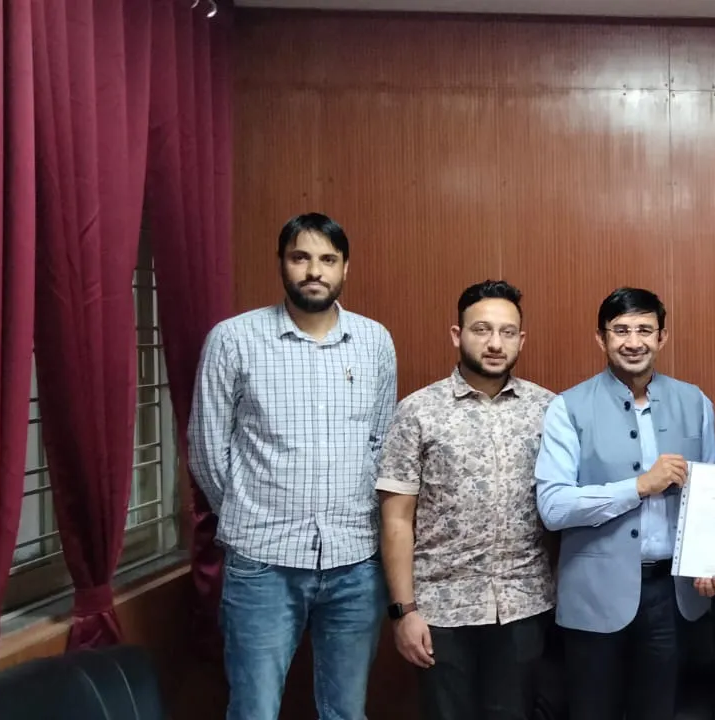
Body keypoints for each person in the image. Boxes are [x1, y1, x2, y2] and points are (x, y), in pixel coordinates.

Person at [188, 212, 397, 719]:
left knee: (346, 711)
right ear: (282, 264)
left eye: (327, 259)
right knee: (254, 709)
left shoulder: (374, 342)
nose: (314, 271)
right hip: (263, 564)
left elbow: (381, 443)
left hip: (355, 562)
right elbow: (207, 447)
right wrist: (249, 512)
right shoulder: (233, 339)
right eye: (301, 257)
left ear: (346, 268)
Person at [534, 287, 715, 720]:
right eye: (620, 330)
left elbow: (712, 492)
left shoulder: (695, 402)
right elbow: (553, 505)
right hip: (594, 595)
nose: (633, 341)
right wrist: (639, 486)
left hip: (671, 594)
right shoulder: (567, 407)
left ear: (662, 338)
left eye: (644, 329)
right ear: (601, 339)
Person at [376, 280, 557, 720]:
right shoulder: (418, 411)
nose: (495, 343)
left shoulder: (549, 410)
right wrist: (404, 612)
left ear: (521, 340)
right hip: (441, 611)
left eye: (507, 332)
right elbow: (397, 519)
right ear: (457, 335)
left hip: (524, 604)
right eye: (481, 329)